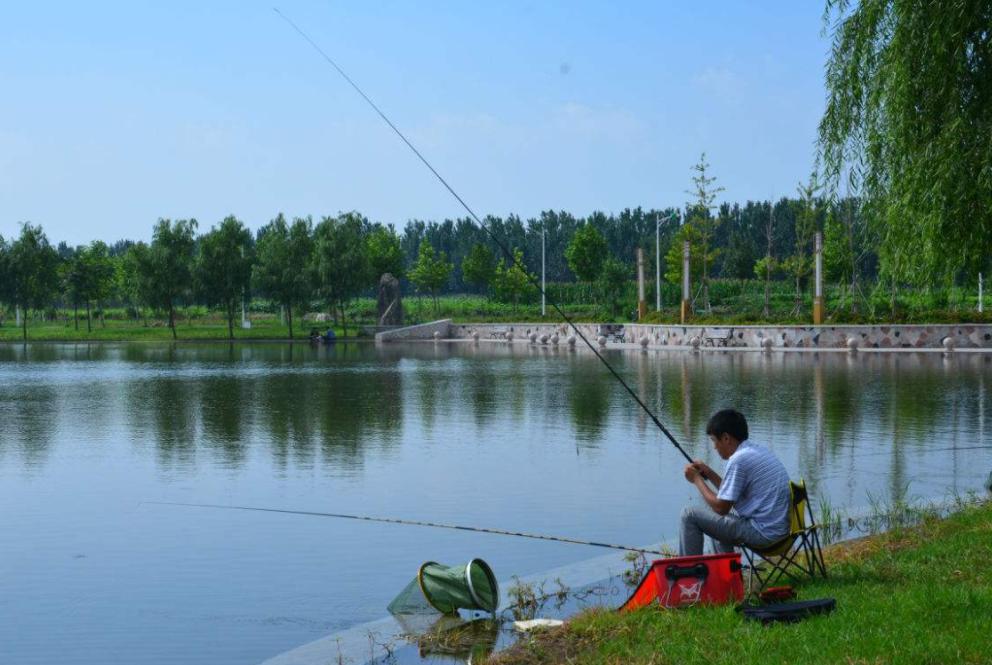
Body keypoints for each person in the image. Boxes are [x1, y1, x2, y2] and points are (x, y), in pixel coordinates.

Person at [679, 409, 791, 556]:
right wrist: (709, 473)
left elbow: (721, 508)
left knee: (689, 515)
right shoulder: (755, 451)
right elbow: (729, 496)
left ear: (726, 438)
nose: (714, 447)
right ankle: (725, 574)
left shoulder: (738, 460)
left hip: (765, 535)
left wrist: (697, 480)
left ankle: (689, 574)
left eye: (714, 440)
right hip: (782, 533)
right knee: (714, 516)